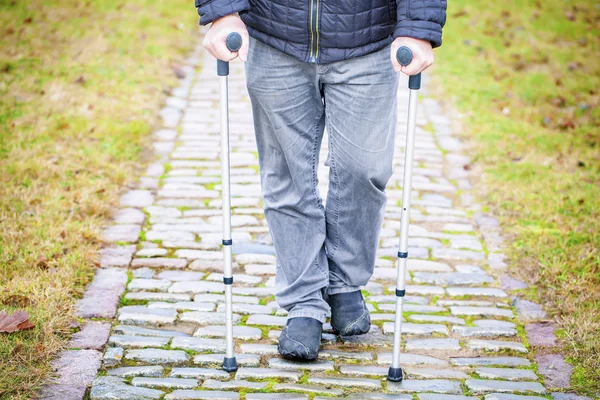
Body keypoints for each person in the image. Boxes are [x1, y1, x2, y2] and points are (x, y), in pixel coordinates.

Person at [195, 0, 447, 361]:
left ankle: (344, 282)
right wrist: (223, 13)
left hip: (368, 39)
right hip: (275, 36)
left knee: (365, 169)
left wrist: (419, 26)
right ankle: (304, 302)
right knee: (287, 179)